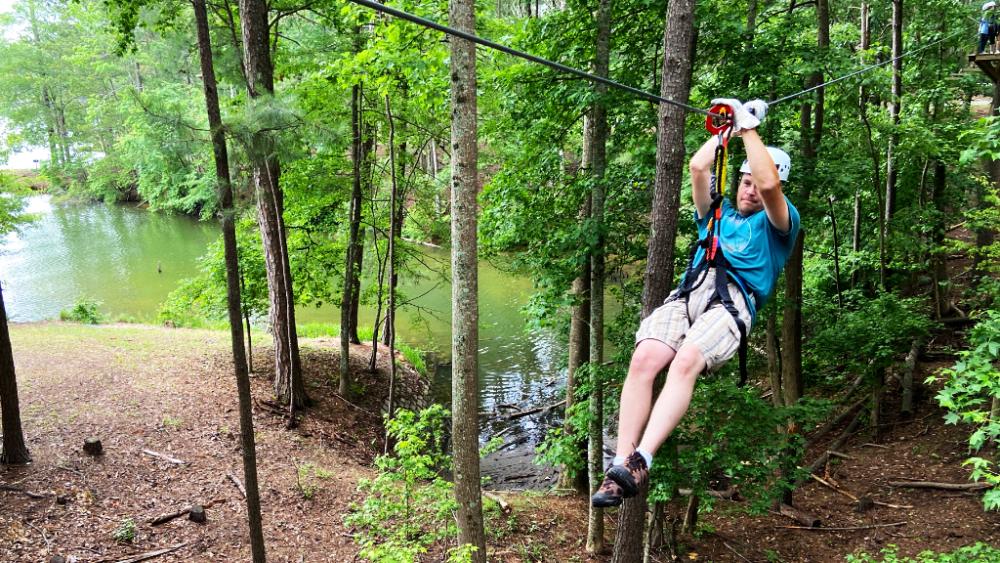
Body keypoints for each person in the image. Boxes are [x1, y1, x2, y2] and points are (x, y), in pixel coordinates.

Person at [591, 98, 801, 507]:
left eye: (756, 184)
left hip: (732, 301)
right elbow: (698, 168)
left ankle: (641, 459)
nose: (752, 190)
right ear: (737, 181)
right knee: (643, 359)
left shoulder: (779, 223)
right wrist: (727, 129)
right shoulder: (716, 213)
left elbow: (771, 184)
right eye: (745, 182)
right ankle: (619, 466)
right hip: (690, 291)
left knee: (686, 360)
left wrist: (749, 129)